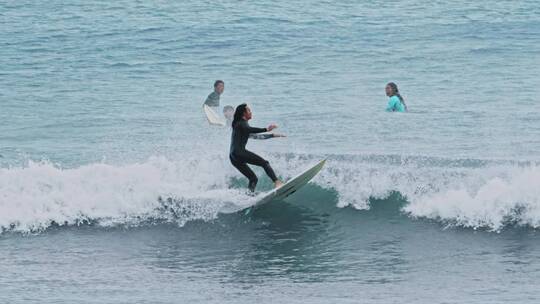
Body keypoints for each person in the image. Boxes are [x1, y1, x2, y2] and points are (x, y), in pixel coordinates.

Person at [230, 103, 284, 192]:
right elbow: (250, 129)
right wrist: (266, 129)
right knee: (265, 163)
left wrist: (272, 135)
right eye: (249, 110)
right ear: (244, 113)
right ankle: (277, 182)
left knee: (253, 178)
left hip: (233, 156)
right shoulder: (242, 123)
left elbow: (255, 136)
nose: (251, 112)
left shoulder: (239, 125)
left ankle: (249, 196)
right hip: (239, 152)